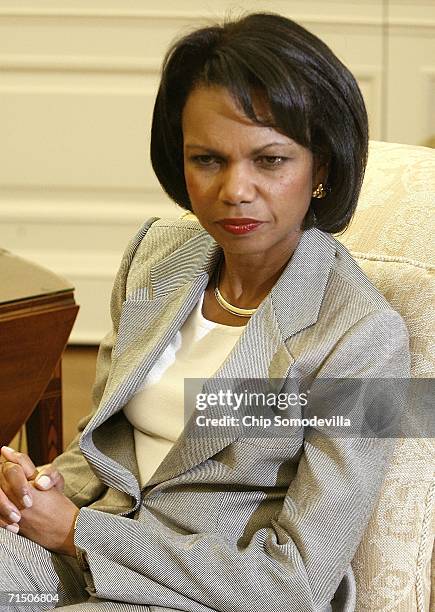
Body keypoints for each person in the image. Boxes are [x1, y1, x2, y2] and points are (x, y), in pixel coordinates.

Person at [0, 12, 410, 612]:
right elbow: (103, 447)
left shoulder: (367, 338)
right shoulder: (157, 252)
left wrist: (78, 532)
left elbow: (298, 585)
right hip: (89, 542)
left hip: (222, 589)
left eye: (270, 160)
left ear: (320, 167)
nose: (234, 190)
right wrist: (37, 489)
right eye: (208, 159)